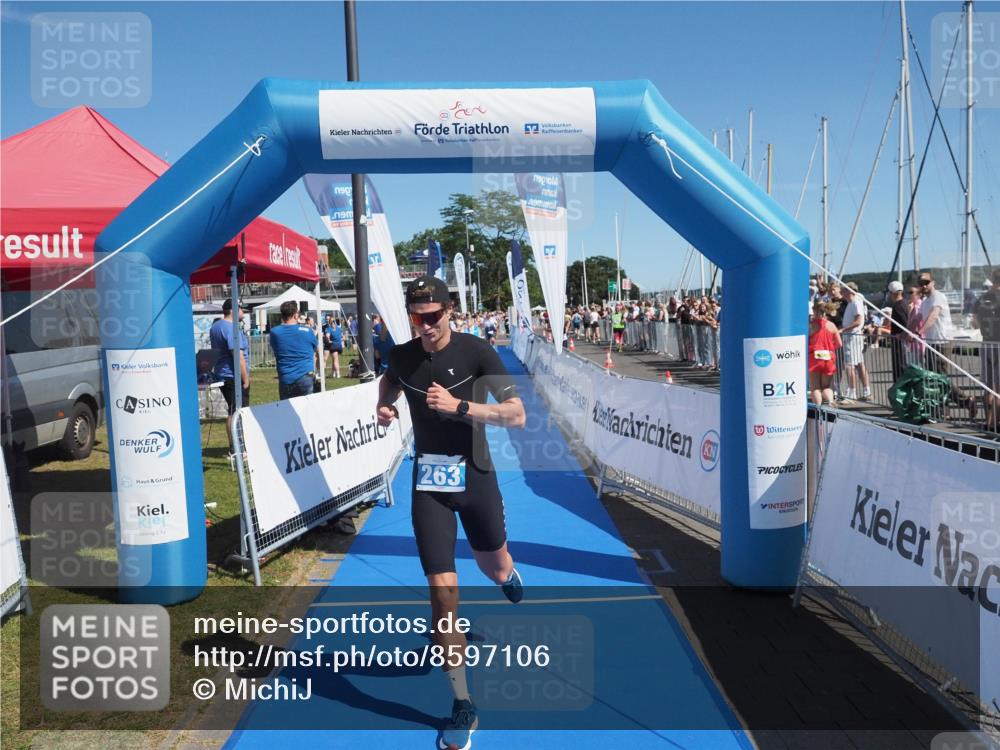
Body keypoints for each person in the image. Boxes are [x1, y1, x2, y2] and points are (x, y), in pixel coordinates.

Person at [376, 276, 526, 750]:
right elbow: (389, 382)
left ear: (449, 310)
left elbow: (517, 414)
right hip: (429, 486)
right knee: (442, 593)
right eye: (416, 318)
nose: (425, 326)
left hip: (476, 477)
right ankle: (463, 703)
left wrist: (462, 406)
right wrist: (384, 406)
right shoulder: (402, 355)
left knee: (494, 566)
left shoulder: (477, 350)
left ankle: (506, 574)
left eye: (433, 317)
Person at [918, 272, 974, 420]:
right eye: (921, 283)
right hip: (930, 342)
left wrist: (920, 332)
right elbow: (918, 317)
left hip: (942, 342)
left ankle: (965, 401)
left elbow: (933, 316)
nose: (924, 285)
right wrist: (906, 333)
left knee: (940, 378)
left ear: (933, 282)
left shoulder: (938, 297)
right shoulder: (924, 302)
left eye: (926, 282)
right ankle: (943, 409)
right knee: (933, 378)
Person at [209, 299, 249, 454]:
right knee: (238, 413)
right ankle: (238, 448)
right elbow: (237, 356)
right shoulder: (230, 328)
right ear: (233, 310)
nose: (243, 312)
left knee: (233, 411)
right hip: (233, 375)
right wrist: (245, 379)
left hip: (223, 374)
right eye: (241, 309)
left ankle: (235, 446)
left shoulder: (216, 326)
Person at [269, 301, 321, 400]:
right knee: (308, 411)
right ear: (296, 315)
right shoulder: (307, 331)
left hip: (285, 378)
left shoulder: (274, 332)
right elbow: (318, 352)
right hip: (305, 377)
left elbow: (275, 349)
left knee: (288, 412)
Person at [973, 268, 1000, 431]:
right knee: (999, 388)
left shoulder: (982, 298)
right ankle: (995, 423)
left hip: (986, 343)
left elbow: (974, 323)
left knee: (988, 386)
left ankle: (988, 421)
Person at [839, 283, 870, 401]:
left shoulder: (856, 303)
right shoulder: (851, 303)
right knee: (857, 363)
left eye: (843, 290)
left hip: (853, 337)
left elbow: (858, 321)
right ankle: (864, 390)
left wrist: (843, 330)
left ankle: (852, 392)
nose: (841, 292)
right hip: (851, 336)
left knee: (850, 365)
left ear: (850, 291)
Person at [809, 301, 842, 405]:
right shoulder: (831, 325)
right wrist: (830, 348)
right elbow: (839, 344)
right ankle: (830, 404)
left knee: (815, 387)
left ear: (814, 310)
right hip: (828, 357)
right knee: (826, 386)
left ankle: (818, 409)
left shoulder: (811, 325)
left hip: (814, 358)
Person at [886, 281, 910, 384]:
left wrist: (901, 335)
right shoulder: (904, 303)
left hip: (899, 342)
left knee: (899, 366)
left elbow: (905, 324)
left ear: (891, 293)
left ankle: (899, 388)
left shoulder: (898, 306)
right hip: (901, 341)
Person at [323, 315, 344, 379]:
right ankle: (333, 373)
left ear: (330, 322)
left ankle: (338, 374)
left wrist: (329, 340)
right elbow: (343, 336)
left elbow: (327, 335)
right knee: (334, 360)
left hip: (333, 346)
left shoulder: (329, 328)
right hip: (339, 346)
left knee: (335, 360)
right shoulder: (339, 328)